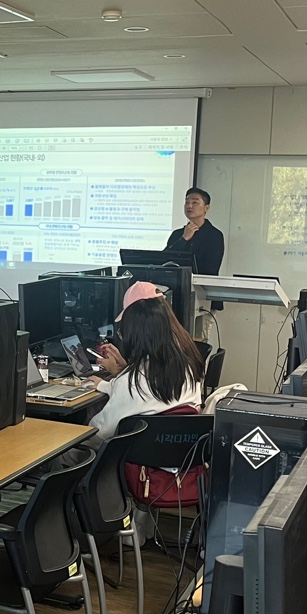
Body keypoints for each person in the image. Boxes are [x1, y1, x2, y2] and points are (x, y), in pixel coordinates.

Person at [86, 281, 205, 446]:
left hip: (126, 460)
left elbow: (99, 435)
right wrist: (124, 372)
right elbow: (146, 397)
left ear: (135, 333)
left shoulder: (132, 382)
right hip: (179, 457)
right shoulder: (187, 365)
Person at [163, 187, 225, 275]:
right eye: (187, 202)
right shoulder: (177, 234)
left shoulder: (214, 235)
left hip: (201, 282)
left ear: (206, 208)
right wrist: (183, 239)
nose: (189, 206)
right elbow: (164, 260)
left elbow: (211, 269)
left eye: (195, 202)